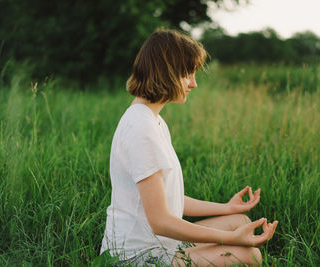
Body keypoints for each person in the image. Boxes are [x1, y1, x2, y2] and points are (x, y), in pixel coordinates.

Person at [100, 28, 278, 267]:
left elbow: (169, 199)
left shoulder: (153, 120)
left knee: (239, 219)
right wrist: (229, 239)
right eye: (187, 74)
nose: (193, 84)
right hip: (135, 257)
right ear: (167, 73)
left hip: (162, 243)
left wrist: (227, 207)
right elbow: (161, 221)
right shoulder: (141, 129)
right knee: (249, 255)